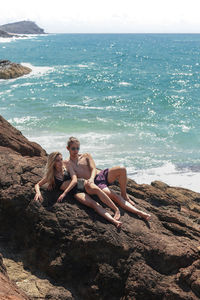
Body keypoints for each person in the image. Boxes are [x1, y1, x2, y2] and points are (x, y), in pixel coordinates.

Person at [64, 137, 151, 221]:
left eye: (77, 148)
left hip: (101, 175)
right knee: (115, 196)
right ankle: (139, 212)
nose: (76, 151)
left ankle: (124, 194)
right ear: (67, 148)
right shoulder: (67, 163)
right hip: (96, 183)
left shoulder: (86, 156)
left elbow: (93, 168)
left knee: (122, 169)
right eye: (73, 148)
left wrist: (91, 178)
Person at [34, 152, 122, 228]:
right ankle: (114, 221)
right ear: (52, 162)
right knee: (93, 204)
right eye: (57, 160)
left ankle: (116, 209)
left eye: (61, 159)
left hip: (81, 183)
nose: (60, 162)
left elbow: (75, 180)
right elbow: (38, 184)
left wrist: (64, 193)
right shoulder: (51, 176)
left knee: (98, 190)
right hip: (75, 192)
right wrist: (38, 192)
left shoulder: (66, 167)